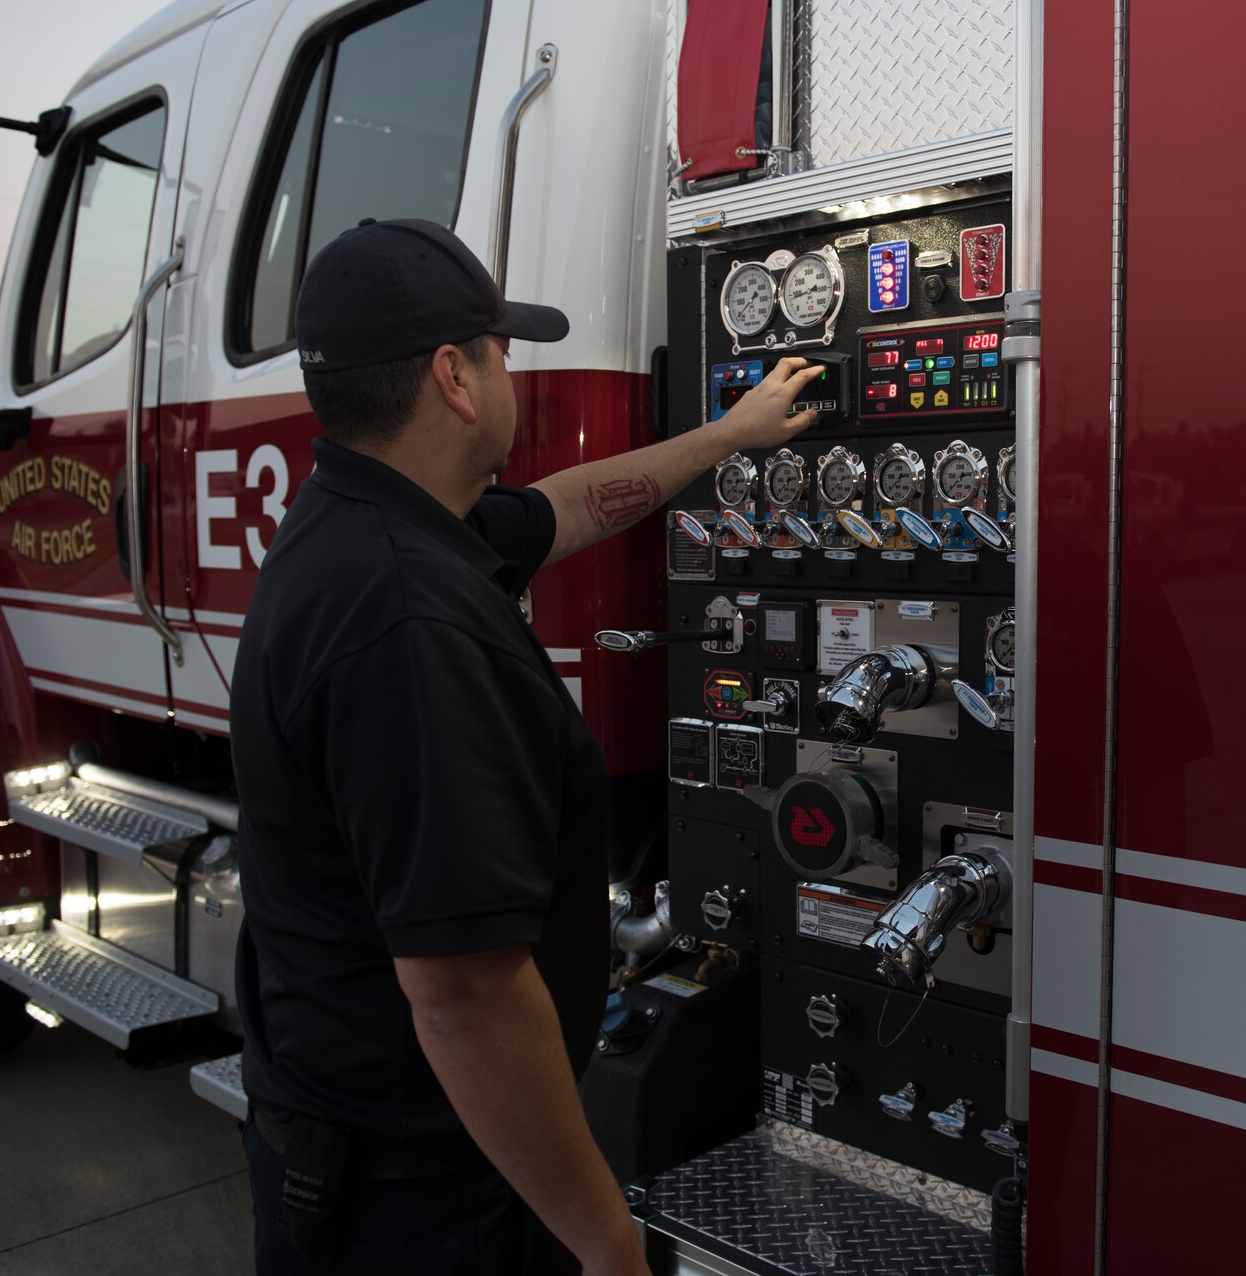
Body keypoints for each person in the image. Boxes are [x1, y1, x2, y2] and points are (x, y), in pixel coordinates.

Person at [228, 216, 821, 1274]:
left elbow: (565, 508)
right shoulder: (407, 621)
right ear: (455, 378)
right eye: (503, 352)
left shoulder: (373, 526)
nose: (514, 377)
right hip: (424, 1200)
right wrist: (604, 1242)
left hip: (360, 1155)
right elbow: (463, 996)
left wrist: (728, 435)